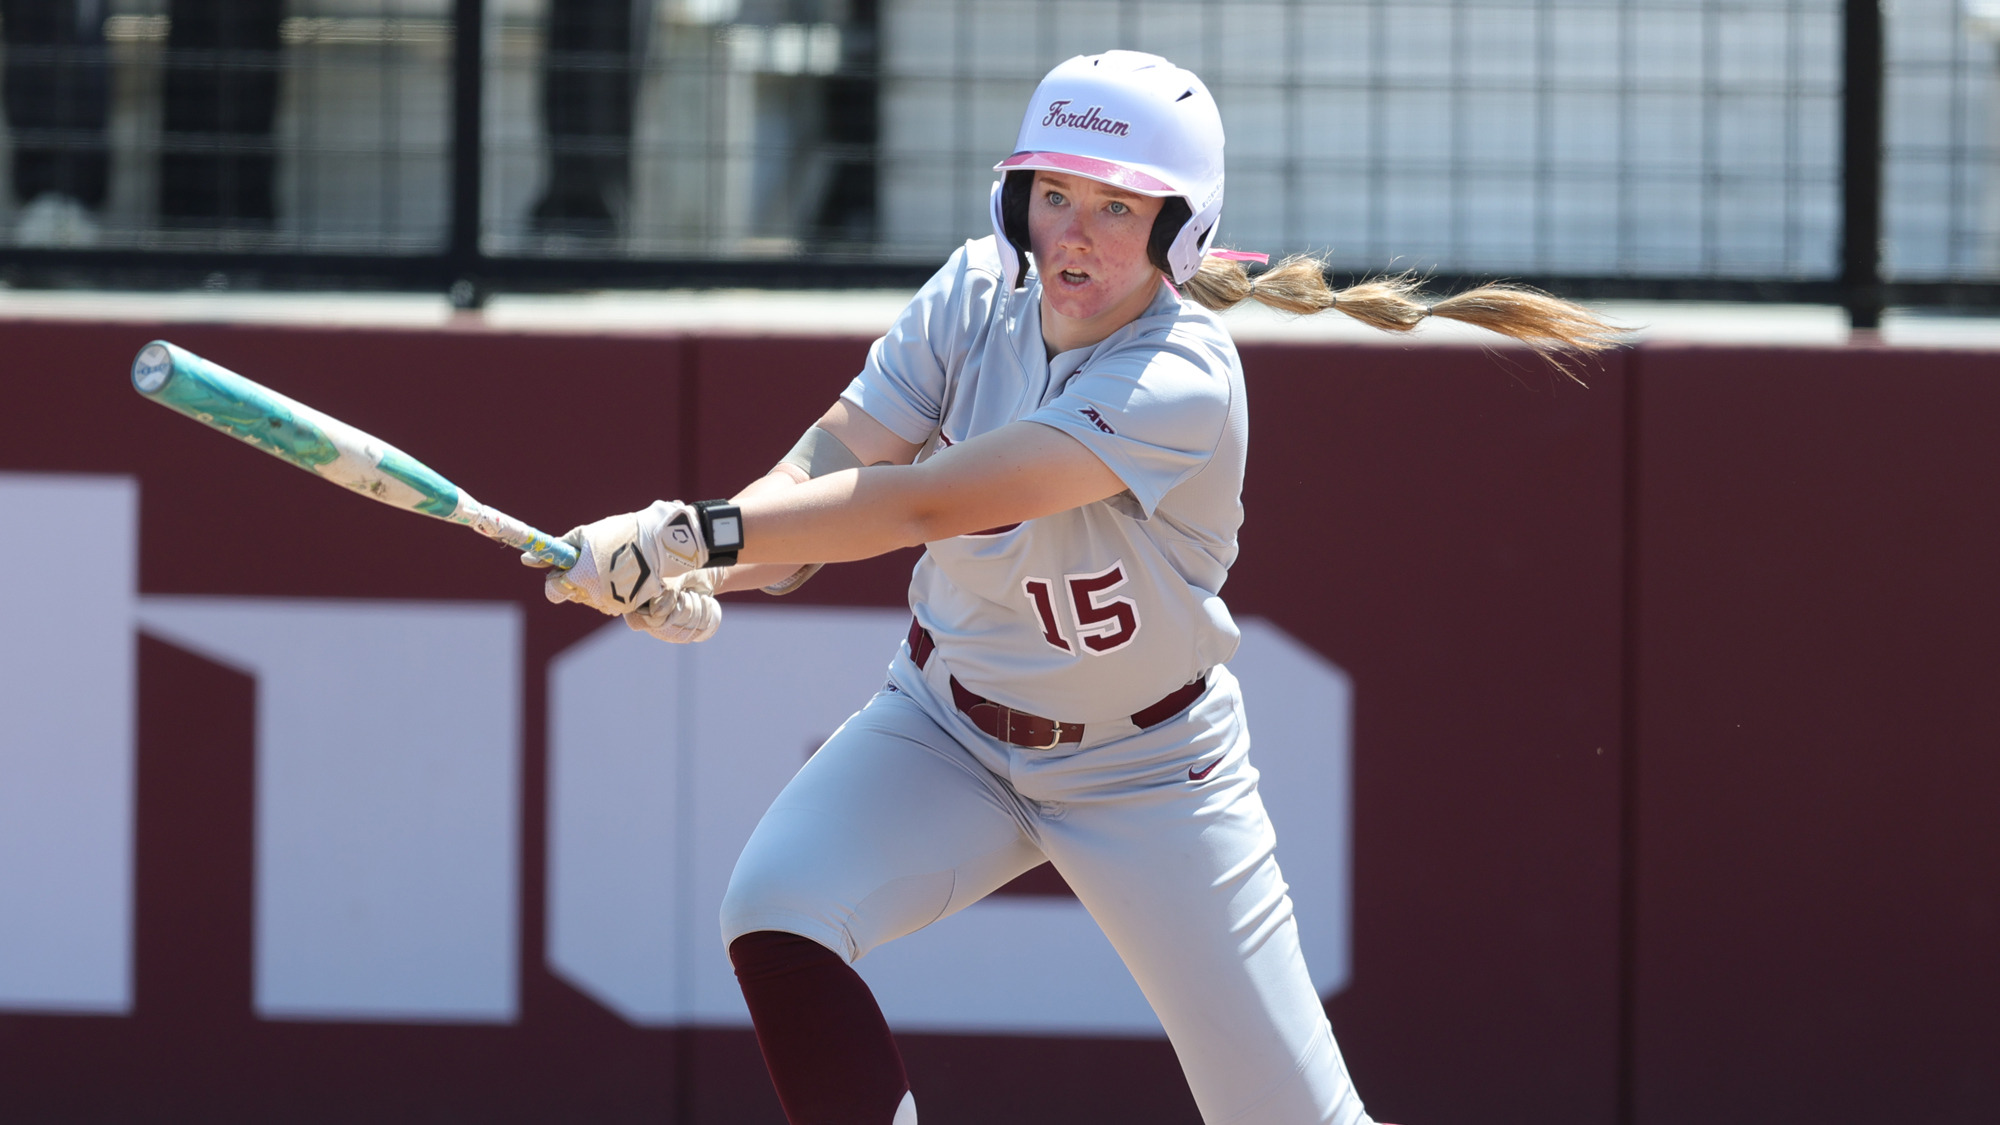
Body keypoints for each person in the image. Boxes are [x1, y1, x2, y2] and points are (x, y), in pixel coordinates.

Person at [533, 49, 1618, 1125]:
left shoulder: (1180, 372)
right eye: (1053, 194)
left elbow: (923, 502)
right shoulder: (970, 290)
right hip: (944, 725)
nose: (1076, 232)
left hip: (1150, 765)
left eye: (1117, 204)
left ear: (1177, 230)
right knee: (775, 911)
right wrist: (700, 561)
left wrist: (687, 532)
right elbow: (814, 490)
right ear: (1014, 202)